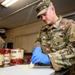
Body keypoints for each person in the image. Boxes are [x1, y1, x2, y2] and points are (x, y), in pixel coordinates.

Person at [31, 0, 75, 74]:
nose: (43, 18)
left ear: (52, 9)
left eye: (44, 14)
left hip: (65, 72)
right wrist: (37, 48)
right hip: (45, 71)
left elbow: (73, 50)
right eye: (41, 17)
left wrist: (49, 58)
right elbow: (38, 41)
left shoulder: (70, 25)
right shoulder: (43, 29)